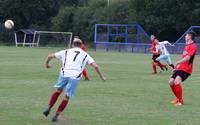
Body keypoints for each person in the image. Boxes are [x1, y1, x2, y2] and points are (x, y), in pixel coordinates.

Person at [43, 38, 106, 122]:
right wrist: (102, 77)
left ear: (73, 45)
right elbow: (96, 66)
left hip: (64, 73)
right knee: (67, 96)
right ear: (81, 45)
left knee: (58, 90)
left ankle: (49, 107)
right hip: (75, 76)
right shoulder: (85, 54)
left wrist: (47, 64)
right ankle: (56, 116)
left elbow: (50, 56)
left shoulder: (66, 51)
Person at [168, 31, 197, 106]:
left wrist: (177, 62)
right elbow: (184, 57)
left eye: (186, 35)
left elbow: (188, 58)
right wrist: (177, 67)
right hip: (180, 68)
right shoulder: (187, 45)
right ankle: (178, 99)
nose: (185, 36)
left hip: (186, 69)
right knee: (171, 82)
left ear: (190, 36)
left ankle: (180, 102)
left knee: (177, 82)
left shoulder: (193, 46)